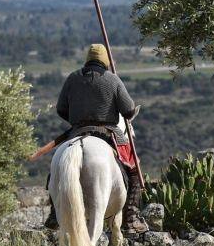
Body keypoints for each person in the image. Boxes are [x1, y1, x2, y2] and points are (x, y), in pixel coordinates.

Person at [44, 44, 149, 235]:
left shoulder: (73, 77)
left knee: (55, 169)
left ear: (87, 59)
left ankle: (54, 214)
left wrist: (77, 121)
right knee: (134, 170)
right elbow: (128, 110)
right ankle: (130, 218)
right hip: (107, 132)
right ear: (106, 61)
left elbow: (60, 109)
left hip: (78, 131)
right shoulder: (112, 79)